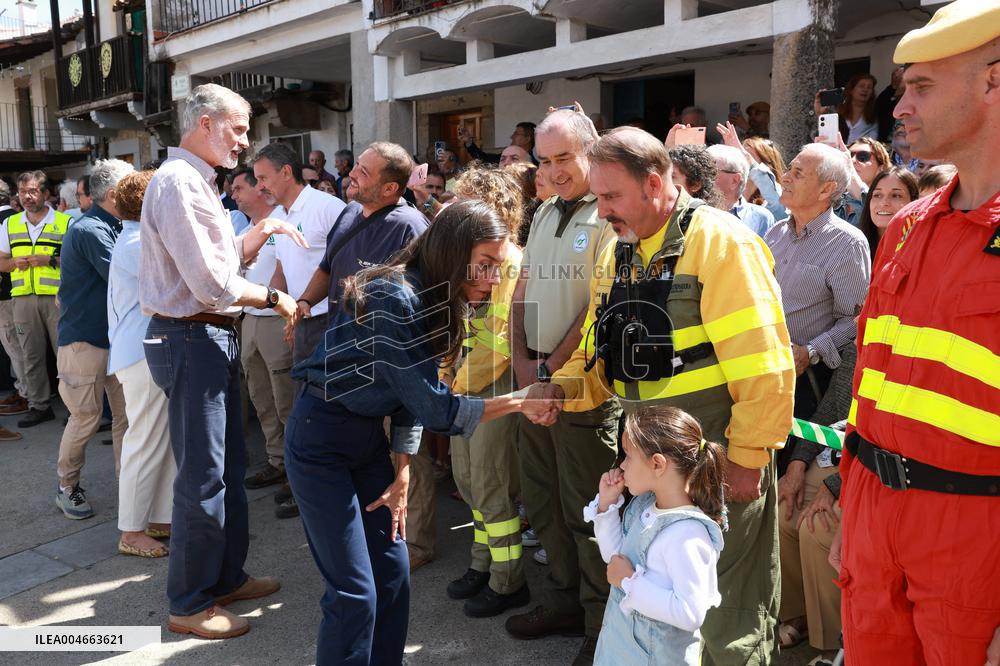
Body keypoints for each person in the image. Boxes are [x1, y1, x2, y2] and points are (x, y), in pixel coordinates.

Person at [529, 126, 796, 665]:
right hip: (647, 466)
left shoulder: (722, 243)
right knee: (664, 611)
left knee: (728, 617)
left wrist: (747, 459)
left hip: (719, 461)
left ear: (655, 184)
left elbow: (765, 367)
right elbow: (597, 350)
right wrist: (560, 387)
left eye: (610, 197)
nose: (600, 211)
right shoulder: (618, 252)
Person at [288, 200, 552, 666]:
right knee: (354, 593)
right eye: (486, 264)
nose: (494, 278)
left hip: (366, 442)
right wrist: (519, 400)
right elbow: (434, 407)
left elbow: (409, 392)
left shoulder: (433, 298)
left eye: (498, 266)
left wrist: (403, 469)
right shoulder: (396, 295)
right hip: (320, 440)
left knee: (393, 575)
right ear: (453, 250)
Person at [829, 5, 1000, 664]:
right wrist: (853, 504)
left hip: (974, 535)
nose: (900, 107)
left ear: (993, 83)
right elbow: (873, 382)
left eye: (922, 86)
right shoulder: (905, 226)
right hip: (876, 516)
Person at [139, 83, 304, 639]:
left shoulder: (192, 180)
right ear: (206, 123)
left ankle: (225, 578)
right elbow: (211, 284)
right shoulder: (180, 182)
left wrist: (260, 232)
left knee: (225, 471)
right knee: (203, 481)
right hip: (192, 337)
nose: (245, 139)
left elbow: (215, 260)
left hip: (203, 338)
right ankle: (188, 604)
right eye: (238, 127)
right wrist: (278, 298)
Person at [504, 109, 621, 666]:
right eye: (544, 161)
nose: (552, 172)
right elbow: (522, 290)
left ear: (589, 152)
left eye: (563, 159)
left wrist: (549, 369)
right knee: (543, 500)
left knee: (588, 512)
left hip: (582, 392)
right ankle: (564, 600)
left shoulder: (608, 215)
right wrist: (523, 363)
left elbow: (596, 310)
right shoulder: (545, 211)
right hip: (535, 383)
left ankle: (602, 624)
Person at [290, 142, 429, 522]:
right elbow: (326, 267)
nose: (351, 174)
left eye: (364, 172)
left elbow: (425, 306)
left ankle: (414, 537)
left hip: (387, 367)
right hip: (343, 361)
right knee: (363, 456)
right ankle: (376, 525)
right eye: (356, 167)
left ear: (390, 189)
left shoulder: (412, 228)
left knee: (404, 452)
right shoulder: (349, 212)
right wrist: (304, 303)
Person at [438, 168, 529, 616]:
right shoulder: (472, 256)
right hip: (462, 386)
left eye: (463, 200)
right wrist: (444, 372)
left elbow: (504, 340)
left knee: (492, 484)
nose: (453, 208)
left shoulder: (512, 261)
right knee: (469, 482)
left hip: (493, 386)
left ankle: (508, 580)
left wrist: (454, 384)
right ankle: (481, 563)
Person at [587, 405, 725, 666]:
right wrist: (606, 506)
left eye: (627, 456)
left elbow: (689, 613)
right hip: (621, 649)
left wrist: (629, 582)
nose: (622, 465)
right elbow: (616, 559)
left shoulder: (688, 535)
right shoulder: (645, 507)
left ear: (657, 463)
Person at [765, 143, 871, 422]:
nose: (785, 177)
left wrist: (809, 351)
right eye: (789, 169)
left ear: (826, 190)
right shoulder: (775, 233)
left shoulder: (847, 243)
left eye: (798, 173)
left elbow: (856, 319)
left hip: (806, 382)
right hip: (761, 369)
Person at [54, 158, 134, 519]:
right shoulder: (90, 230)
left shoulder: (114, 225)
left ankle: (131, 489)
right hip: (84, 342)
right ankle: (67, 487)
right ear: (115, 194)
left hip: (114, 341)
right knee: (85, 417)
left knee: (126, 419)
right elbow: (124, 275)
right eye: (131, 188)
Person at [109, 169, 176, 557]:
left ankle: (158, 519)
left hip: (143, 350)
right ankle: (131, 531)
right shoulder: (137, 243)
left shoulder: (136, 238)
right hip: (141, 353)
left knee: (158, 439)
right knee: (145, 439)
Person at [229, 167, 296, 498]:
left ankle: (297, 471)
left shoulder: (284, 220)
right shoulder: (247, 228)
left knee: (286, 397)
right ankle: (277, 460)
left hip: (275, 319)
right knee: (260, 396)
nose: (234, 194)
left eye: (240, 187)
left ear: (260, 191)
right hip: (250, 319)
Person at [253, 142, 345, 373]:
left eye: (263, 178)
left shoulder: (328, 207)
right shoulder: (277, 216)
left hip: (332, 322)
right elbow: (281, 272)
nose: (259, 187)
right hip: (302, 322)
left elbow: (347, 265)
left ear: (285, 172)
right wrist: (287, 317)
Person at [0, 171, 71, 428]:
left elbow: (76, 262)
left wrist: (49, 260)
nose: (27, 197)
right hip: (22, 299)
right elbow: (1, 262)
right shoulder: (10, 224)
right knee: (31, 356)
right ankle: (38, 406)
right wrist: (11, 263)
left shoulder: (65, 223)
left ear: (45, 193)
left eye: (31, 191)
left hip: (56, 299)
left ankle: (75, 408)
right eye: (22, 192)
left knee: (64, 355)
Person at [706, 144, 776, 237]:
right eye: (700, 170)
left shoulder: (761, 218)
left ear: (734, 180)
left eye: (710, 171)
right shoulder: (691, 211)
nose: (702, 176)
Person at [0, 182, 23, 439]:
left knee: (13, 345)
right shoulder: (17, 219)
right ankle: (24, 391)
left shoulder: (5, 222)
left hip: (6, 294)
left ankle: (24, 393)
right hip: (18, 290)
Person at [857, 167, 919, 259]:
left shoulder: (921, 250)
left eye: (896, 195)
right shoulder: (853, 245)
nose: (884, 203)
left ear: (914, 201)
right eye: (877, 195)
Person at [836, 74, 879, 142]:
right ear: (851, 90)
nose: (865, 90)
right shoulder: (838, 113)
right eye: (861, 86)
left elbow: (874, 142)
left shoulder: (874, 116)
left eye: (869, 87)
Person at [875, 65, 906, 142]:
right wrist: (893, 87)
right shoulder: (885, 96)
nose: (899, 79)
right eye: (896, 77)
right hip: (887, 143)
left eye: (901, 77)